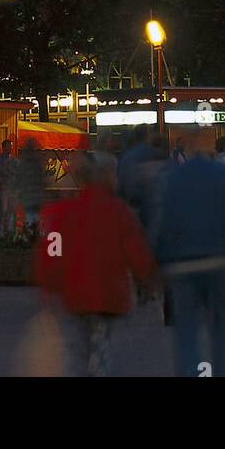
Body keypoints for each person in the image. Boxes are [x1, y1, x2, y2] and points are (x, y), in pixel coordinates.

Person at [36, 152, 154, 377]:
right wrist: (145, 278)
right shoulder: (118, 211)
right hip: (108, 294)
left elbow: (51, 253)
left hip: (74, 295)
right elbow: (135, 251)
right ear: (106, 177)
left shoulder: (63, 213)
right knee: (101, 349)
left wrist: (49, 287)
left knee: (78, 349)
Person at [155, 150, 225, 377]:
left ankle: (189, 372)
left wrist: (158, 265)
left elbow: (161, 225)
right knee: (221, 329)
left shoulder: (172, 179)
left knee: (186, 331)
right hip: (217, 262)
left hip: (181, 265)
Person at [16, 137, 46, 230]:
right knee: (35, 216)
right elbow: (41, 178)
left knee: (29, 216)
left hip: (27, 194)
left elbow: (19, 177)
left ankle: (30, 235)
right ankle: (35, 235)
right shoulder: (37, 160)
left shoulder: (22, 161)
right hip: (36, 194)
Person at [0, 138, 18, 237]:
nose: (10, 148)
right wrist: (10, 173)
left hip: (12, 188)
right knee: (3, 210)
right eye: (8, 146)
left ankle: (9, 231)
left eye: (11, 147)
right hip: (3, 187)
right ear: (3, 147)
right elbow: (0, 171)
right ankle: (0, 231)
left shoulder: (14, 159)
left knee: (11, 210)